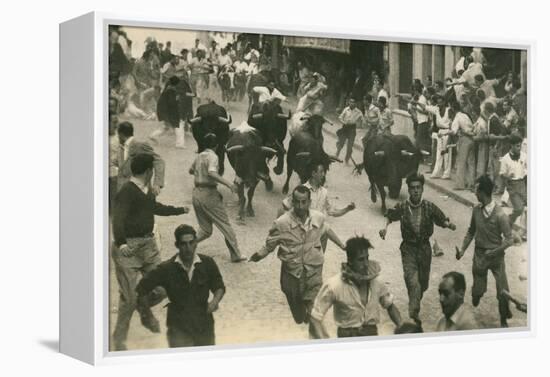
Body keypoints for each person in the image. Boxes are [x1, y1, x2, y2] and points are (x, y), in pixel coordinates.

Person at [111, 154, 189, 351]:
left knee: (162, 288)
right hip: (128, 248)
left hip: (149, 246)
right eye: (153, 170)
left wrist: (179, 210)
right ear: (148, 171)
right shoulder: (127, 192)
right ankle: (119, 339)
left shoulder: (147, 191)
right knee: (128, 300)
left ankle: (143, 309)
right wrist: (121, 244)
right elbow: (117, 219)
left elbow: (155, 208)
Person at [249, 185, 346, 325]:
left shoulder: (318, 217)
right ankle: (303, 314)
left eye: (304, 202)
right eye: (297, 202)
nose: (300, 206)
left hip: (314, 267)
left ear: (309, 202)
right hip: (292, 272)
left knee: (313, 302)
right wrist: (257, 256)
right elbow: (269, 245)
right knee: (298, 315)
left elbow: (327, 230)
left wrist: (342, 245)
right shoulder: (281, 223)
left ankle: (313, 323)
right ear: (292, 202)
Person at [379, 173, 456, 327]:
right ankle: (414, 312)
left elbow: (441, 219)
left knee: (423, 284)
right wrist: (384, 228)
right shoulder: (402, 206)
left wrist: (448, 224)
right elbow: (390, 215)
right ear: (408, 189)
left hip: (425, 249)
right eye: (412, 188)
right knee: (412, 280)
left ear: (422, 189)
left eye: (418, 188)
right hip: (408, 248)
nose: (415, 191)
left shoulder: (429, 206)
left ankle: (415, 298)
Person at [135, 224, 225, 347]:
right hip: (178, 326)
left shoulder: (207, 263)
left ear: (196, 243)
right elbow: (141, 289)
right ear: (177, 245)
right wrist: (148, 316)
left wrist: (215, 301)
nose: (188, 248)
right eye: (183, 244)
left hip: (204, 324)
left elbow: (218, 285)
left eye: (191, 243)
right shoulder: (167, 268)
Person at [309, 236, 402, 338]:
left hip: (371, 335)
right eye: (361, 260)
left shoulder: (377, 281)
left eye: (367, 257)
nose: (366, 264)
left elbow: (390, 306)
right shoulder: (334, 285)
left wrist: (403, 328)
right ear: (351, 261)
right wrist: (325, 342)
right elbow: (315, 317)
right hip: (347, 337)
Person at [456, 175, 514, 327]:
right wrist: (462, 250)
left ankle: (503, 318)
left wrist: (494, 252)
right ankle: (477, 294)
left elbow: (509, 240)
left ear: (482, 192)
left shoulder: (501, 215)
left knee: (503, 290)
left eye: (476, 190)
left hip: (496, 258)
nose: (474, 193)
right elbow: (471, 231)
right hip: (480, 256)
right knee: (477, 292)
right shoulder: (476, 210)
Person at [189, 133, 247, 263]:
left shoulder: (199, 156)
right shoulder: (213, 156)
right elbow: (211, 172)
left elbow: (190, 170)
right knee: (225, 225)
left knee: (205, 230)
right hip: (208, 194)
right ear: (216, 145)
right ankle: (236, 254)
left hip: (196, 194)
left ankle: (188, 245)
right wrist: (229, 184)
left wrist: (200, 173)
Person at [281, 162, 355, 250]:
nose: (324, 175)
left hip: (319, 235)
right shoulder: (302, 189)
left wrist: (347, 209)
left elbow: (332, 212)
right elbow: (286, 204)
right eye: (321, 172)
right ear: (313, 173)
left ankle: (342, 247)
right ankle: (342, 247)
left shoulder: (324, 192)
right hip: (303, 234)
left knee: (319, 259)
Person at [116, 121, 165, 195]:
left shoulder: (140, 145)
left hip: (139, 190)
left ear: (121, 134)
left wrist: (157, 184)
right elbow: (120, 164)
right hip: (124, 190)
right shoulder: (121, 147)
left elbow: (159, 161)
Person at [500, 134, 527, 231]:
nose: (519, 148)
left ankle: (524, 231)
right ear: (511, 145)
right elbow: (502, 175)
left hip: (523, 184)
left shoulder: (524, 156)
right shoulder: (505, 159)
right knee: (519, 209)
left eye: (520, 145)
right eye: (517, 146)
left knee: (528, 208)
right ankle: (508, 221)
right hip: (512, 185)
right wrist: (507, 177)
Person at [149, 76, 183, 147]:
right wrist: (177, 99)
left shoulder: (168, 89)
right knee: (178, 126)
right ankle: (179, 144)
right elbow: (171, 103)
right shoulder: (171, 91)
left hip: (163, 111)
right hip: (167, 112)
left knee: (166, 127)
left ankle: (153, 135)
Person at [450, 100, 476, 190]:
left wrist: (444, 132)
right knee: (471, 162)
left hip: (464, 139)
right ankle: (471, 183)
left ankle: (460, 184)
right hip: (472, 139)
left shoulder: (457, 117)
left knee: (461, 162)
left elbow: (454, 131)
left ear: (453, 109)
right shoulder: (466, 115)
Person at [336, 98, 363, 164]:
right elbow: (340, 117)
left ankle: (347, 159)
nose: (351, 103)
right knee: (341, 142)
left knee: (350, 145)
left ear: (356, 103)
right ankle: (336, 155)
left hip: (352, 129)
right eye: (350, 102)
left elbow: (362, 120)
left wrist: (359, 125)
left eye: (353, 102)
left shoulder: (358, 112)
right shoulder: (346, 109)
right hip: (345, 127)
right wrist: (343, 122)